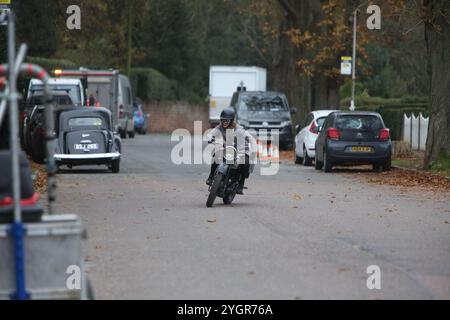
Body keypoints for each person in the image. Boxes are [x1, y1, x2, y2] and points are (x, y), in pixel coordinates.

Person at [206, 107, 256, 195]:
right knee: (216, 156)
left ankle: (241, 184)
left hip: (241, 150)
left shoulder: (239, 129)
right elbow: (211, 133)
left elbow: (252, 139)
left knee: (245, 162)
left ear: (232, 120)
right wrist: (210, 138)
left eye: (227, 120)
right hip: (229, 149)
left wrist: (253, 153)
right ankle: (211, 176)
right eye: (222, 120)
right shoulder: (220, 127)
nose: (224, 122)